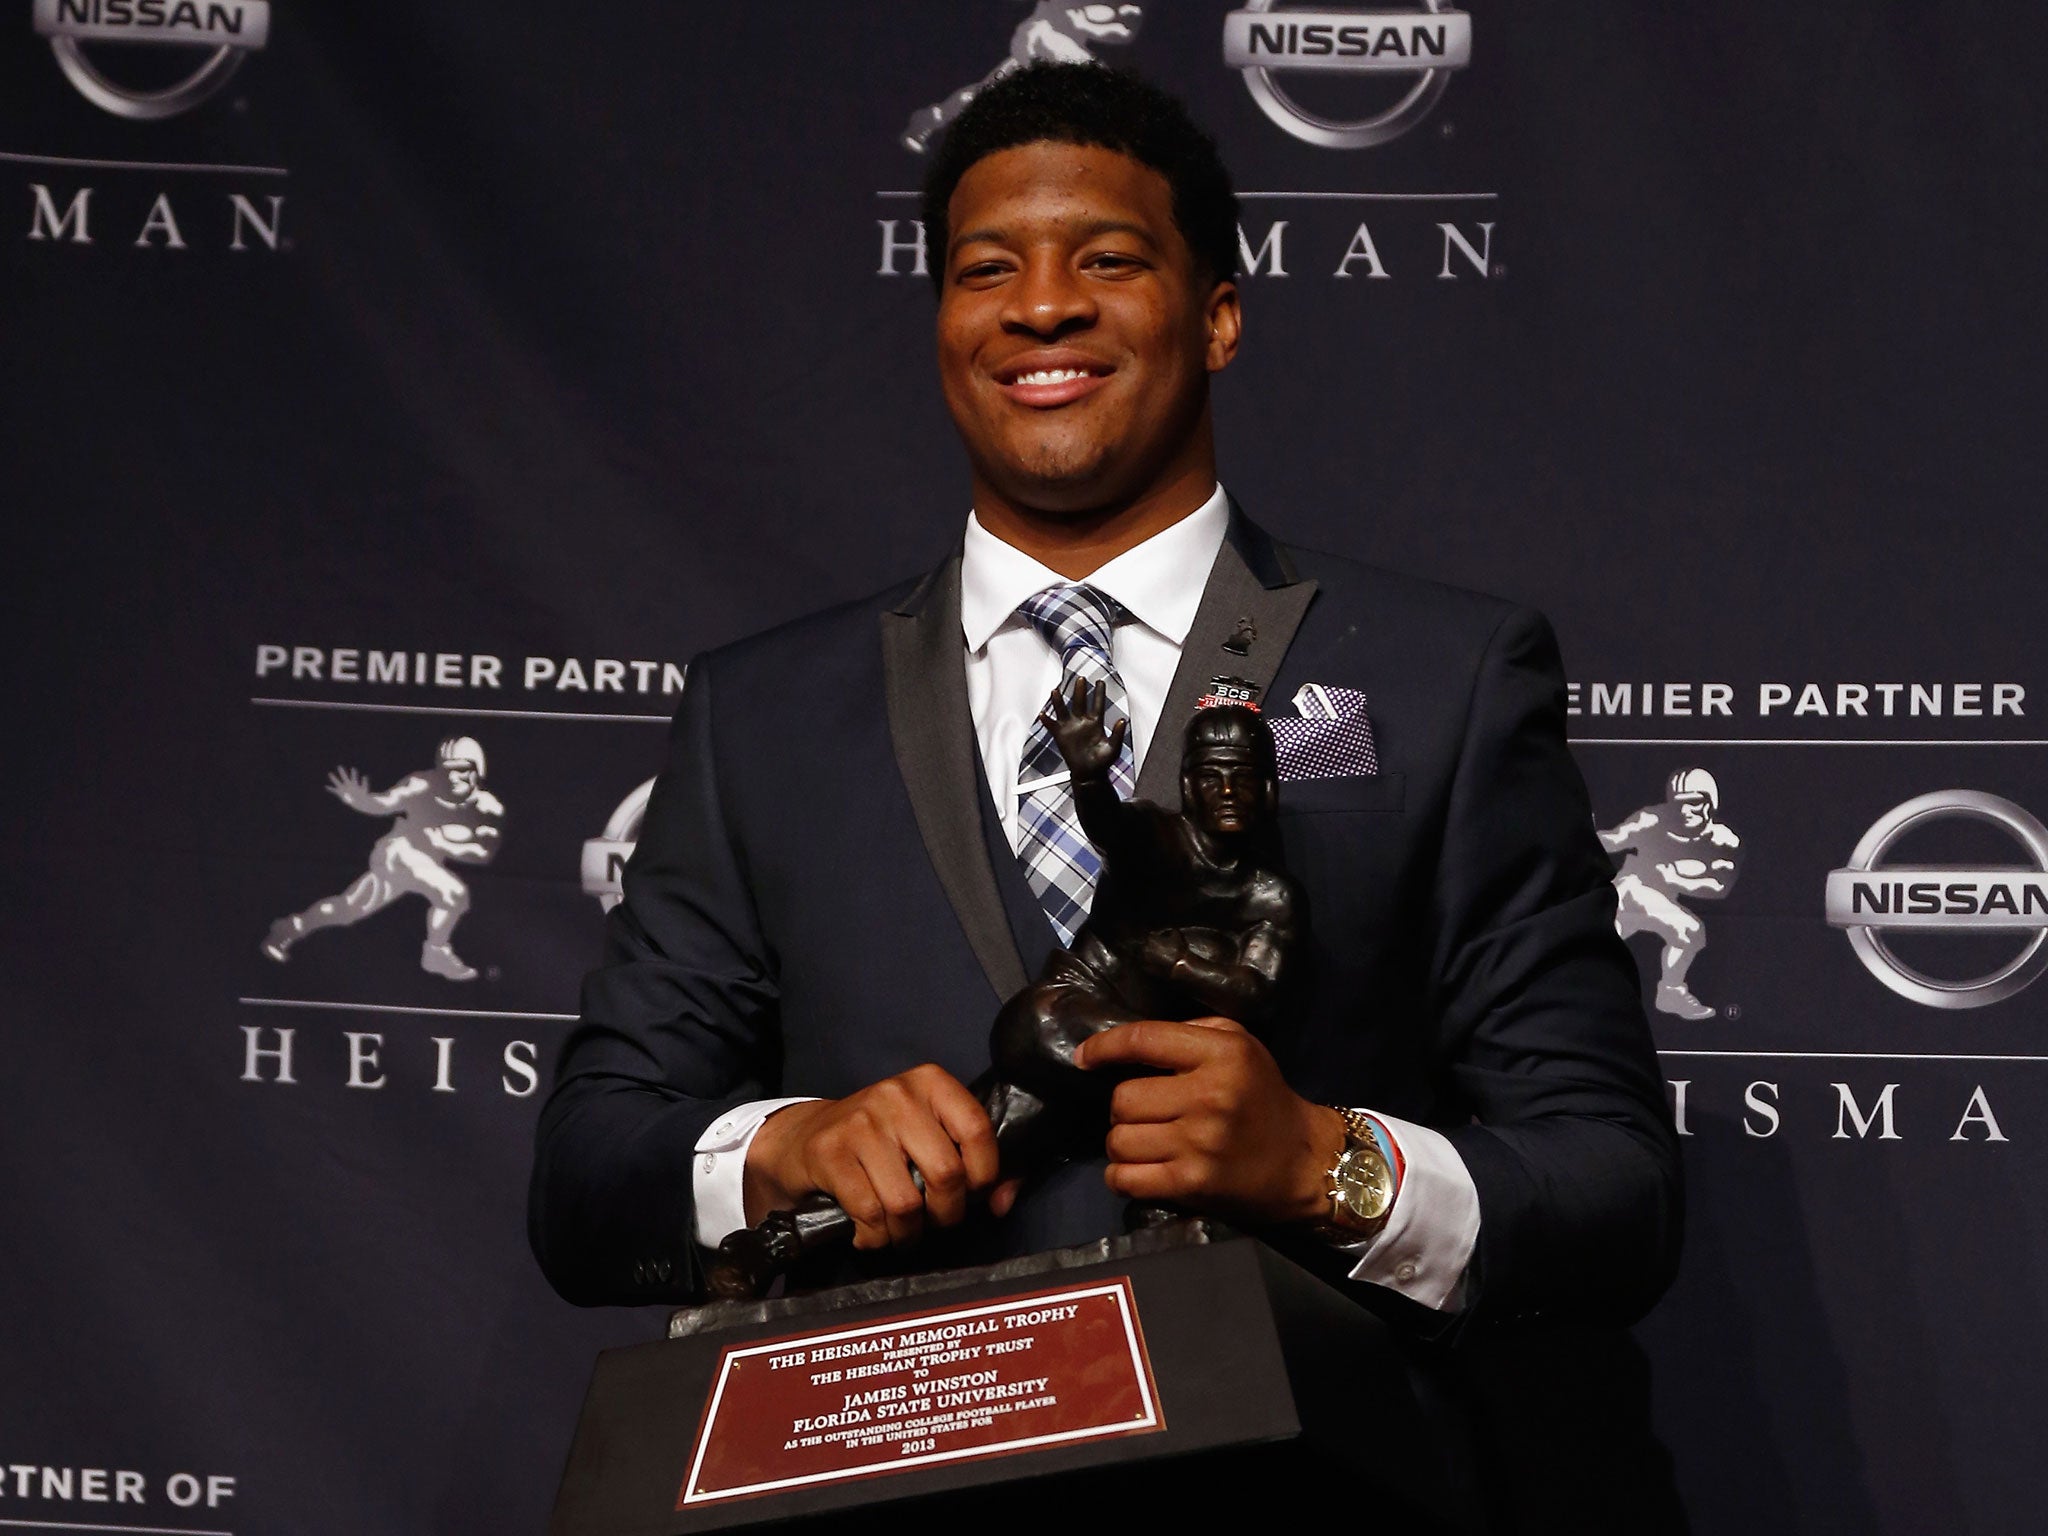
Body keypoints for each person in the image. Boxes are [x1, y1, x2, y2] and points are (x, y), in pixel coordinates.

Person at [531, 63, 1682, 1525]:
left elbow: (1616, 1193)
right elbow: (586, 1180)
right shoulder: (760, 718)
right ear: (943, 323)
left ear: (1217, 315)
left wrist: (1326, 1164)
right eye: (985, 269)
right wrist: (781, 1150)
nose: (1042, 306)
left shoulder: (1441, 680)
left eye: (1109, 259)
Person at [264, 735, 501, 980]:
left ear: (477, 770)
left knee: (347, 909)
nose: (453, 777)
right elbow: (384, 802)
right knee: (453, 893)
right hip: (399, 852)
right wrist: (362, 800)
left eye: (461, 770)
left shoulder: (487, 808)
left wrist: (444, 843)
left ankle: (291, 928)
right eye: (447, 770)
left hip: (426, 861)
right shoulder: (421, 784)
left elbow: (483, 854)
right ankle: (436, 953)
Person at [1601, 767, 1743, 1019]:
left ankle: (1670, 991)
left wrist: (1674, 878)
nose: (1686, 811)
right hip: (1629, 891)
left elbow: (1719, 887)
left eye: (1695, 803)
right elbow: (1613, 840)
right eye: (1680, 803)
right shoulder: (1651, 820)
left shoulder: (1723, 841)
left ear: (1710, 803)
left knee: (1690, 932)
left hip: (1662, 900)